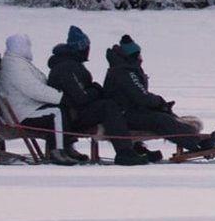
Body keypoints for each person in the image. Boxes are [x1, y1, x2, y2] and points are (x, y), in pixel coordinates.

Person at [45, 25, 153, 166]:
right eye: (86, 46)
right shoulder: (67, 67)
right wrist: (96, 90)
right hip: (71, 116)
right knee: (108, 107)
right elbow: (80, 97)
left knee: (111, 105)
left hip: (73, 112)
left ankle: (133, 147)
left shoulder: (71, 65)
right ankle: (124, 152)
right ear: (80, 47)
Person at [102, 35, 215, 156]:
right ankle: (198, 144)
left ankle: (195, 139)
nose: (141, 57)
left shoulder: (124, 69)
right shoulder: (124, 72)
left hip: (129, 111)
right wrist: (159, 102)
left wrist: (160, 105)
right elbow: (141, 97)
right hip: (124, 115)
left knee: (164, 115)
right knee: (160, 120)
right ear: (133, 56)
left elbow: (139, 96)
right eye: (139, 54)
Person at [0, 34, 79, 165]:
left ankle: (66, 147)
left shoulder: (18, 62)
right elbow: (33, 89)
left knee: (61, 109)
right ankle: (57, 151)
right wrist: (60, 97)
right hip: (23, 113)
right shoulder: (15, 65)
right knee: (56, 113)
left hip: (25, 107)